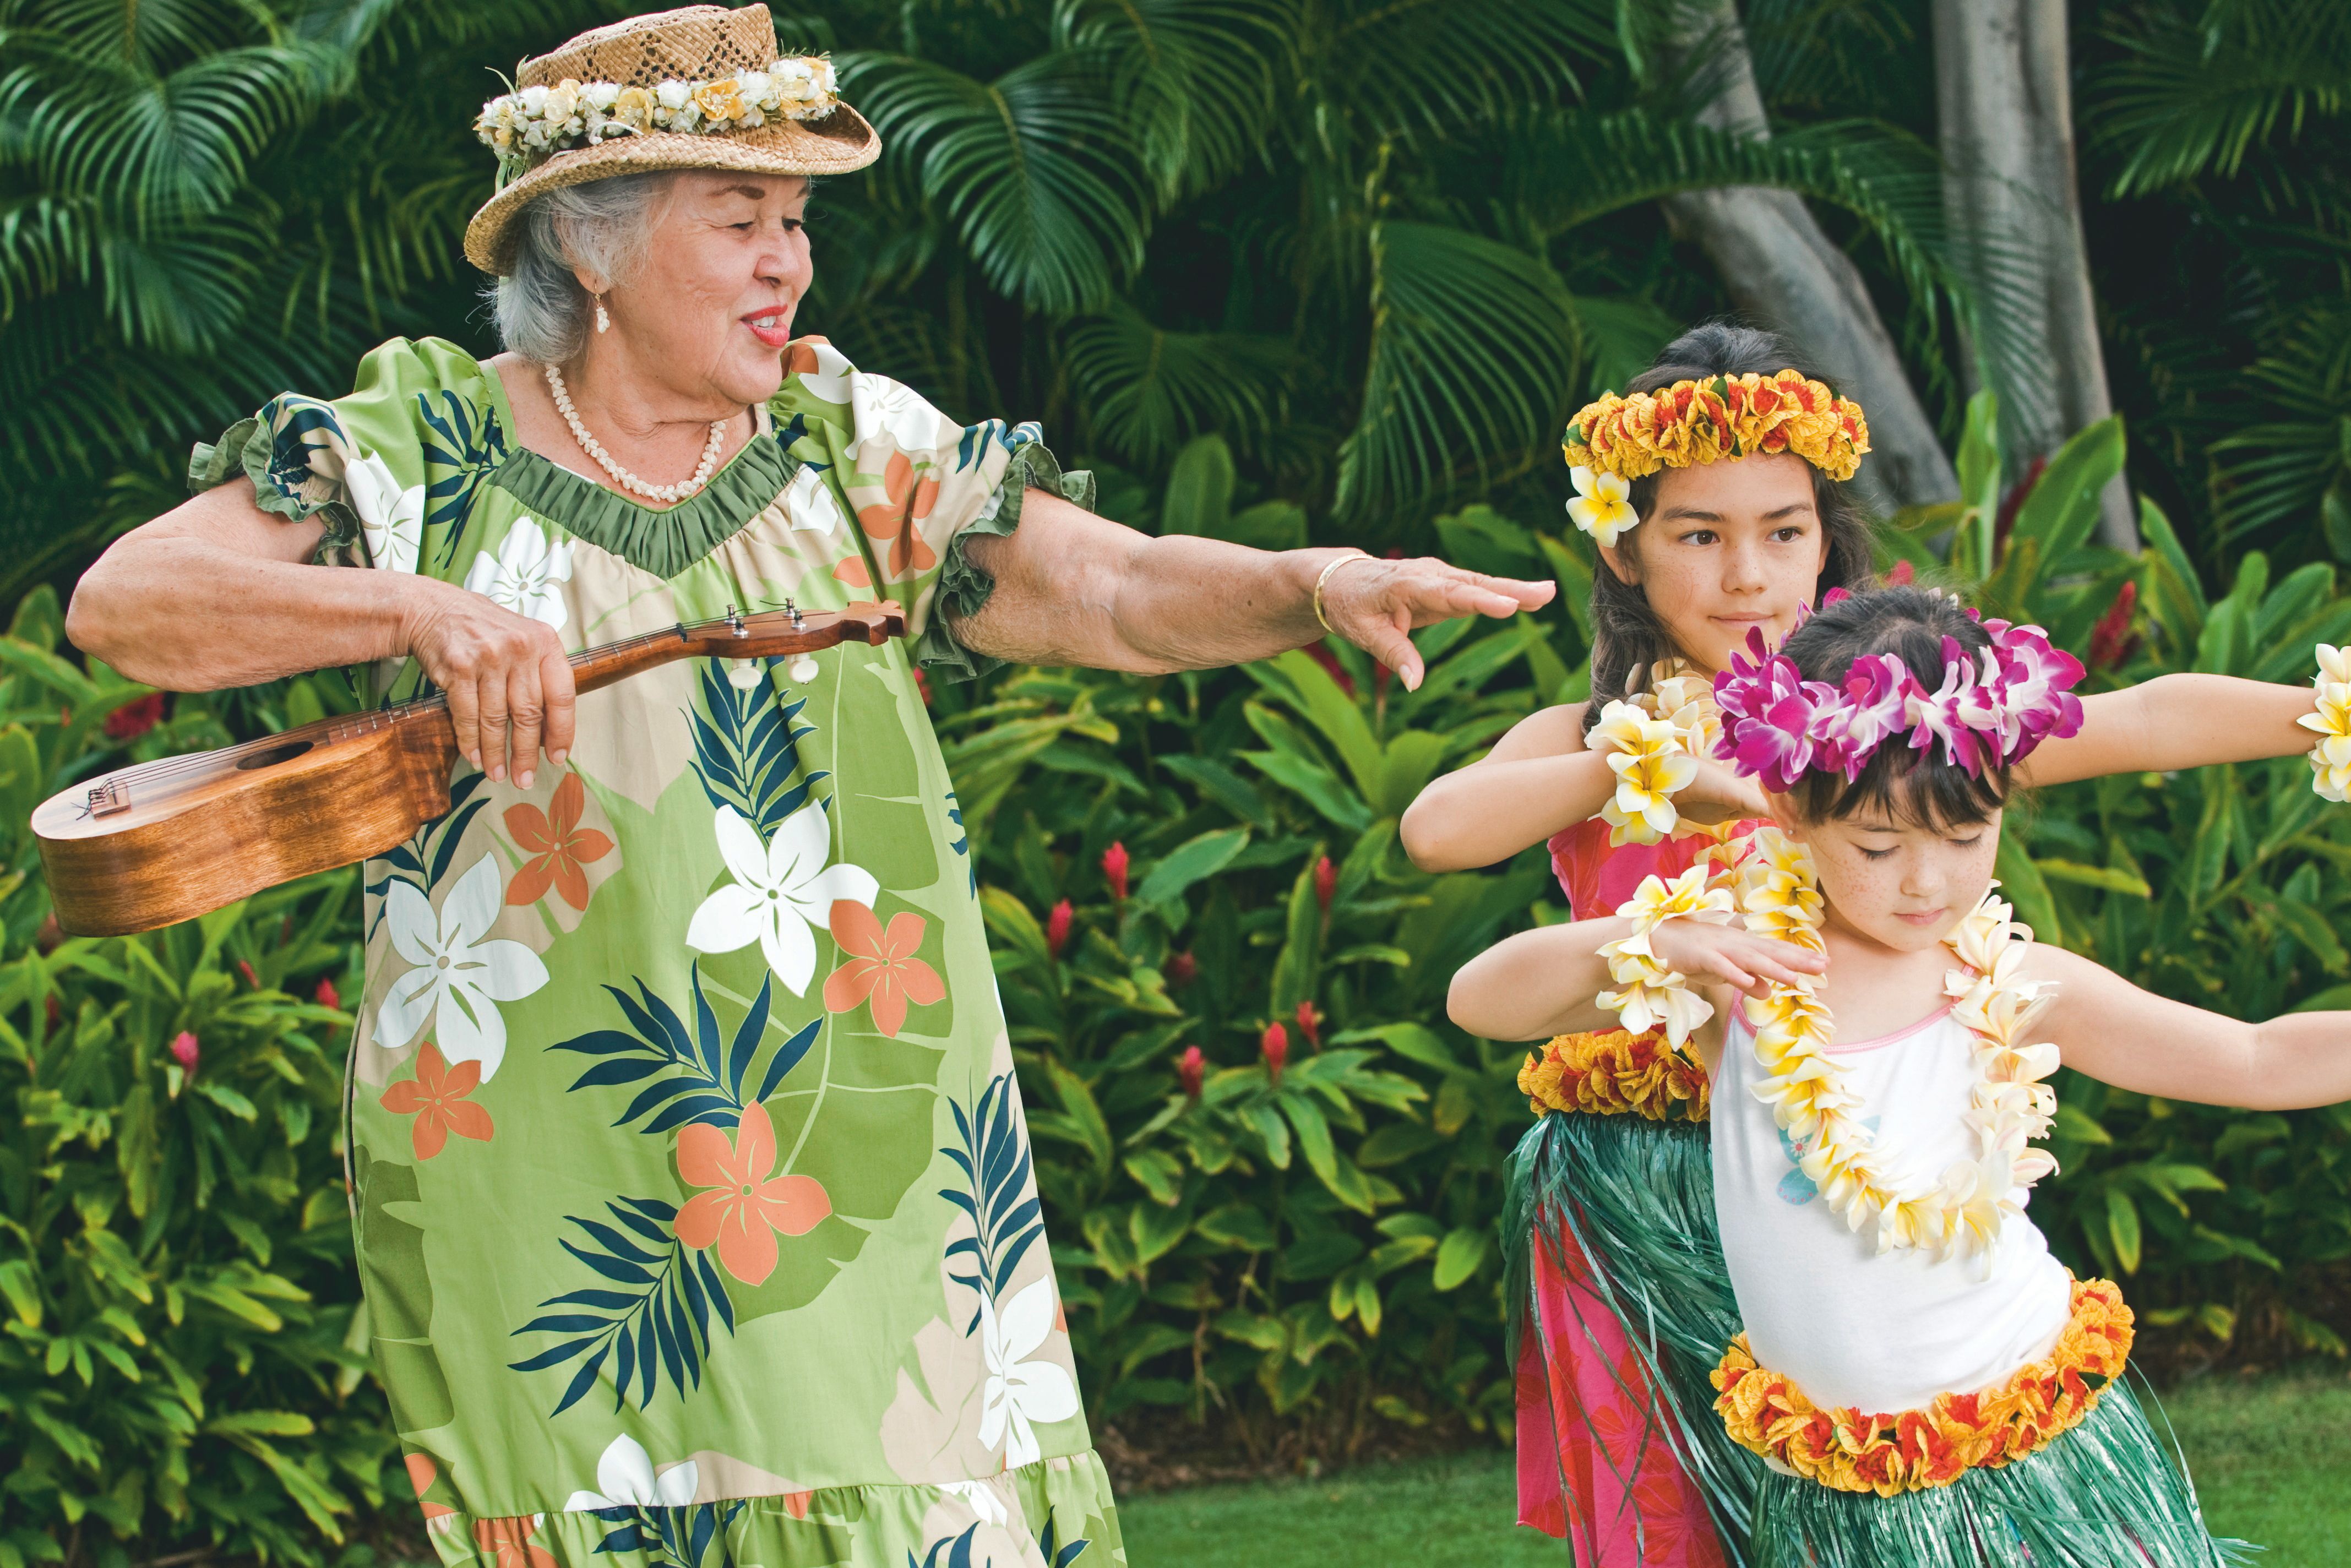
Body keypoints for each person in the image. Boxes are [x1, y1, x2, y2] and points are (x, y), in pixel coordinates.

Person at [61, 8, 1552, 1566]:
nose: (790, 264)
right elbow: (131, 603)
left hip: (870, 1128)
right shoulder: (418, 447)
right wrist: (418, 608)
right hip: (548, 1156)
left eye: (795, 222)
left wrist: (1309, 579)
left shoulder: (850, 446)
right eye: (740, 221)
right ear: (592, 249)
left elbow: (1106, 591)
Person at [1398, 323, 2329, 1565]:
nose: (1745, 576)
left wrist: (2318, 714)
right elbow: (1436, 829)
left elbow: (2138, 715)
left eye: (1782, 532)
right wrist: (1663, 768)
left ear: (1826, 536)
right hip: (1645, 1190)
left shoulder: (1887, 729)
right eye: (1698, 535)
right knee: (1677, 1522)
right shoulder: (1593, 734)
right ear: (1622, 547)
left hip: (1875, 1156)